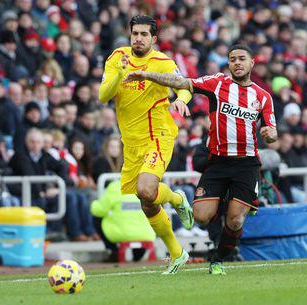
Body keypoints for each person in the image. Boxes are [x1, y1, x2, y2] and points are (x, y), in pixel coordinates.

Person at [125, 44, 278, 275]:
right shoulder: (217, 83)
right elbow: (182, 82)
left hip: (246, 164)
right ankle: (230, 202)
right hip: (217, 162)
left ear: (251, 63)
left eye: (241, 59)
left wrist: (270, 134)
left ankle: (218, 258)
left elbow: (272, 130)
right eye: (232, 59)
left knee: (235, 221)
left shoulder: (263, 96)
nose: (237, 63)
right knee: (201, 217)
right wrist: (147, 75)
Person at [98, 15, 194, 274]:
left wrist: (181, 100)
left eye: (143, 34)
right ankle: (177, 252)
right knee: (146, 200)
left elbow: (185, 86)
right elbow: (104, 95)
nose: (138, 38)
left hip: (158, 135)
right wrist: (119, 74)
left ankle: (175, 198)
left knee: (146, 188)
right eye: (135, 33)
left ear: (153, 39)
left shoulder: (162, 63)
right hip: (131, 143)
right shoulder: (117, 58)